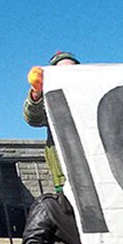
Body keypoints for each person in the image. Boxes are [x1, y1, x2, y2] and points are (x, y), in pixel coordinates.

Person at [23, 51, 80, 191]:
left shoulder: (93, 93)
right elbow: (34, 119)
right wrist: (36, 94)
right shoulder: (50, 97)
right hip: (65, 175)